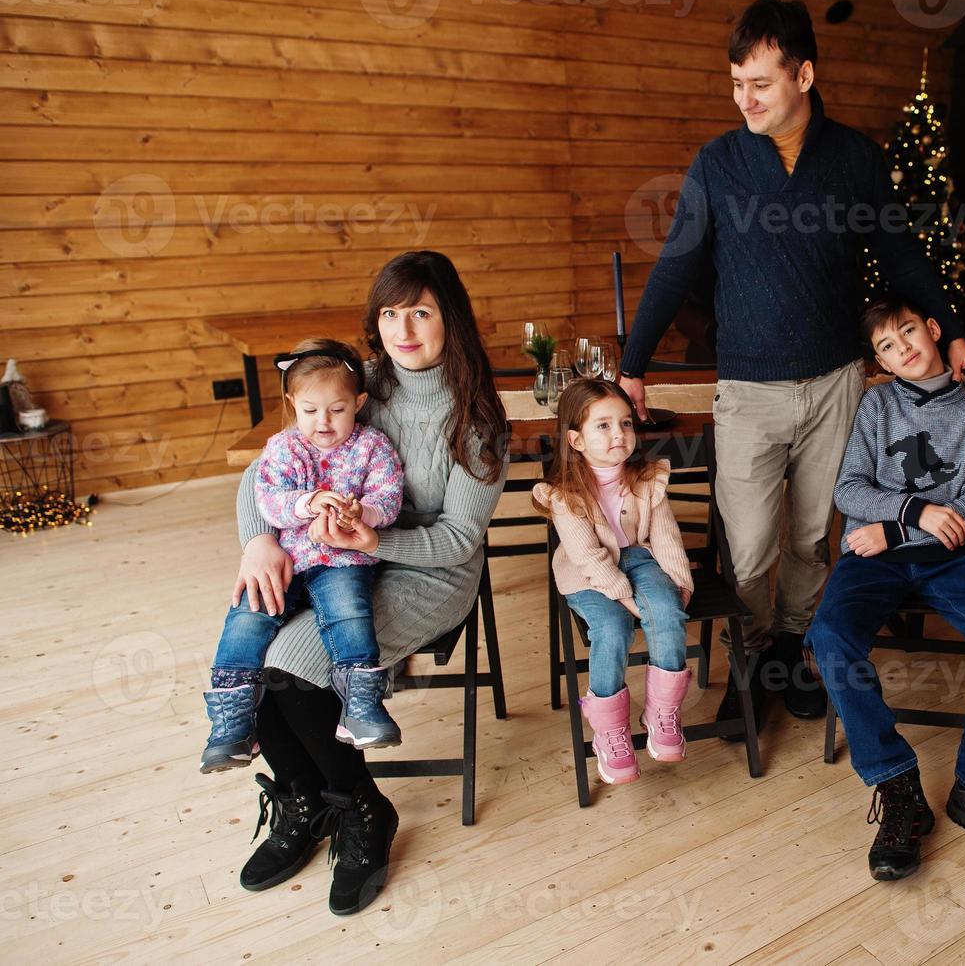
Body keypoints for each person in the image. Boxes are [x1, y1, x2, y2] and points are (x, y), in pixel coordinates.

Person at [617, 0, 965, 733]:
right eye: (735, 84)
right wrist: (633, 365)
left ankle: (791, 647)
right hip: (748, 390)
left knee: (814, 535)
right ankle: (752, 652)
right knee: (749, 546)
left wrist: (952, 334)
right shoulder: (719, 163)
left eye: (759, 82)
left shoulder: (854, 159)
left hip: (836, 384)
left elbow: (901, 256)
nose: (744, 99)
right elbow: (674, 267)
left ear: (805, 74)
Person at [229, 251, 508, 915]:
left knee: (292, 672)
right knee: (248, 658)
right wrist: (258, 542)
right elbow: (264, 471)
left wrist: (374, 540)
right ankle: (304, 800)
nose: (404, 328)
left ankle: (363, 811)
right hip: (340, 561)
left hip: (428, 574)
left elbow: (458, 541)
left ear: (451, 319)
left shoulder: (477, 420)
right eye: (390, 312)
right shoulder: (360, 387)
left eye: (421, 311)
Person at [806, 298, 965, 882]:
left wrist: (894, 527)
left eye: (909, 332)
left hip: (947, 554)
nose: (903, 349)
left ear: (934, 329)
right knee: (830, 637)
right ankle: (897, 786)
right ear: (880, 362)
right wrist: (912, 516)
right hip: (874, 557)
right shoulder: (877, 403)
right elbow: (850, 489)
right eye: (887, 346)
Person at [202, 338, 405, 774]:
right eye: (310, 410)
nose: (324, 422)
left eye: (337, 409)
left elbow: (388, 499)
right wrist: (306, 502)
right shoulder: (282, 447)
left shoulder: (373, 447)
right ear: (292, 403)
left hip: (344, 560)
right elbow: (268, 499)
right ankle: (232, 723)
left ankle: (361, 708)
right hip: (287, 562)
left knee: (350, 614)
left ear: (359, 402)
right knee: (248, 613)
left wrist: (361, 513)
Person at [534, 378, 695, 786]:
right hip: (584, 572)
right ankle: (609, 732)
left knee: (667, 607)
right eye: (602, 426)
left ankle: (662, 713)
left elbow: (665, 536)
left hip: (638, 556)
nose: (618, 434)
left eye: (625, 423)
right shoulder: (564, 494)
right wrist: (623, 597)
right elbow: (588, 556)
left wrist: (680, 581)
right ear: (576, 440)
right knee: (612, 626)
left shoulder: (646, 479)